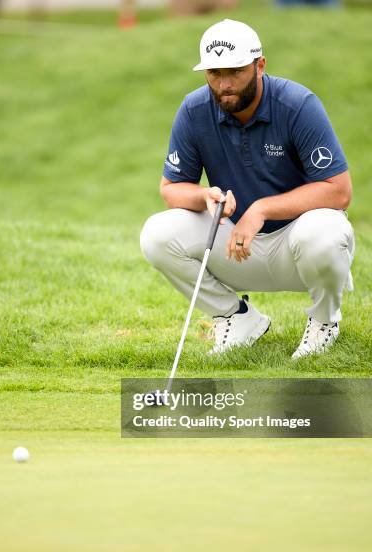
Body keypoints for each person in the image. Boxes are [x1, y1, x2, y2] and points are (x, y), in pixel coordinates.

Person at [140, 19, 354, 359]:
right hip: (235, 245)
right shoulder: (195, 110)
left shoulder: (298, 105)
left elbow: (338, 191)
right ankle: (235, 317)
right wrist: (204, 196)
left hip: (298, 244)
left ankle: (324, 321)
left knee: (323, 231)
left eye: (235, 71)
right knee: (156, 234)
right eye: (214, 73)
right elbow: (171, 189)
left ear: (260, 65)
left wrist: (262, 209)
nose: (224, 85)